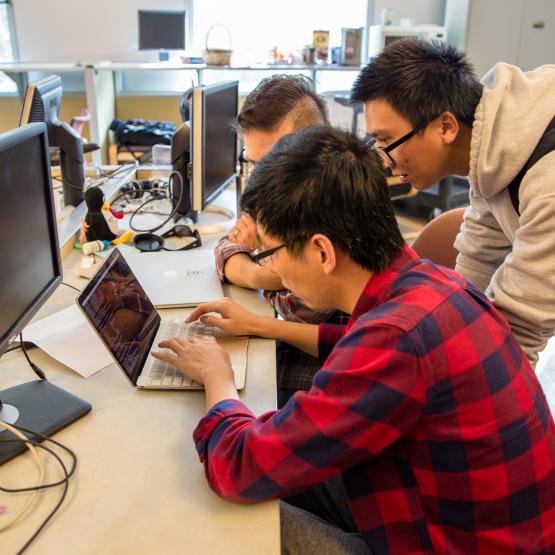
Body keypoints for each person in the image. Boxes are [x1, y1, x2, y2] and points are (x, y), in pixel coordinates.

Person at [153, 126, 555, 555]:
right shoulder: (428, 283)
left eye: (270, 254)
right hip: (465, 519)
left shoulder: (395, 342)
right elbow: (361, 346)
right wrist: (264, 326)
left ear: (322, 252)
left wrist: (219, 381)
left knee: (213, 502)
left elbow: (239, 467)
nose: (276, 274)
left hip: (439, 542)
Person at [350, 38, 555, 368]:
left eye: (387, 140)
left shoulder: (546, 182)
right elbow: (478, 260)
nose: (385, 160)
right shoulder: (493, 144)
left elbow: (518, 331)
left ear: (445, 126)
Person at [214, 74, 348, 406]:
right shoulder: (285, 195)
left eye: (271, 163)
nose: (260, 180)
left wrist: (256, 267)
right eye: (254, 164)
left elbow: (296, 306)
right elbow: (228, 241)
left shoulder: (341, 205)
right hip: (287, 350)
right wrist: (262, 271)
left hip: (313, 376)